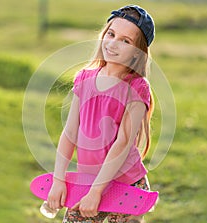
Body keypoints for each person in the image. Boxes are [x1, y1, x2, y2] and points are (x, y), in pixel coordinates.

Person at [47, 5, 156, 223]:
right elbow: (69, 133)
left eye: (126, 41)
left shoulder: (137, 87)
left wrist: (97, 191)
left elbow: (123, 143)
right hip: (86, 182)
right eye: (111, 34)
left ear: (138, 52)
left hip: (126, 184)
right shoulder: (84, 79)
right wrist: (58, 179)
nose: (113, 44)